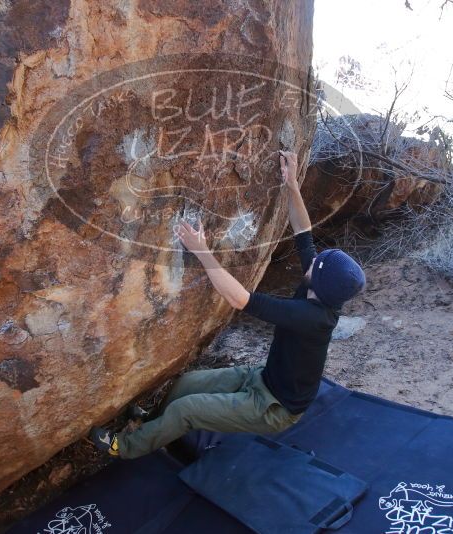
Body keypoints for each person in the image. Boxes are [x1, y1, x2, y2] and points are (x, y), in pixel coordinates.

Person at [89, 149, 366, 459]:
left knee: (187, 410)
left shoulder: (311, 317)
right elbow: (304, 233)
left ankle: (124, 447)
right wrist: (292, 186)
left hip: (274, 408)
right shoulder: (318, 286)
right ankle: (150, 425)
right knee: (185, 385)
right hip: (262, 376)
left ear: (320, 283)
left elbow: (239, 299)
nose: (313, 260)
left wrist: (202, 250)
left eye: (319, 264)